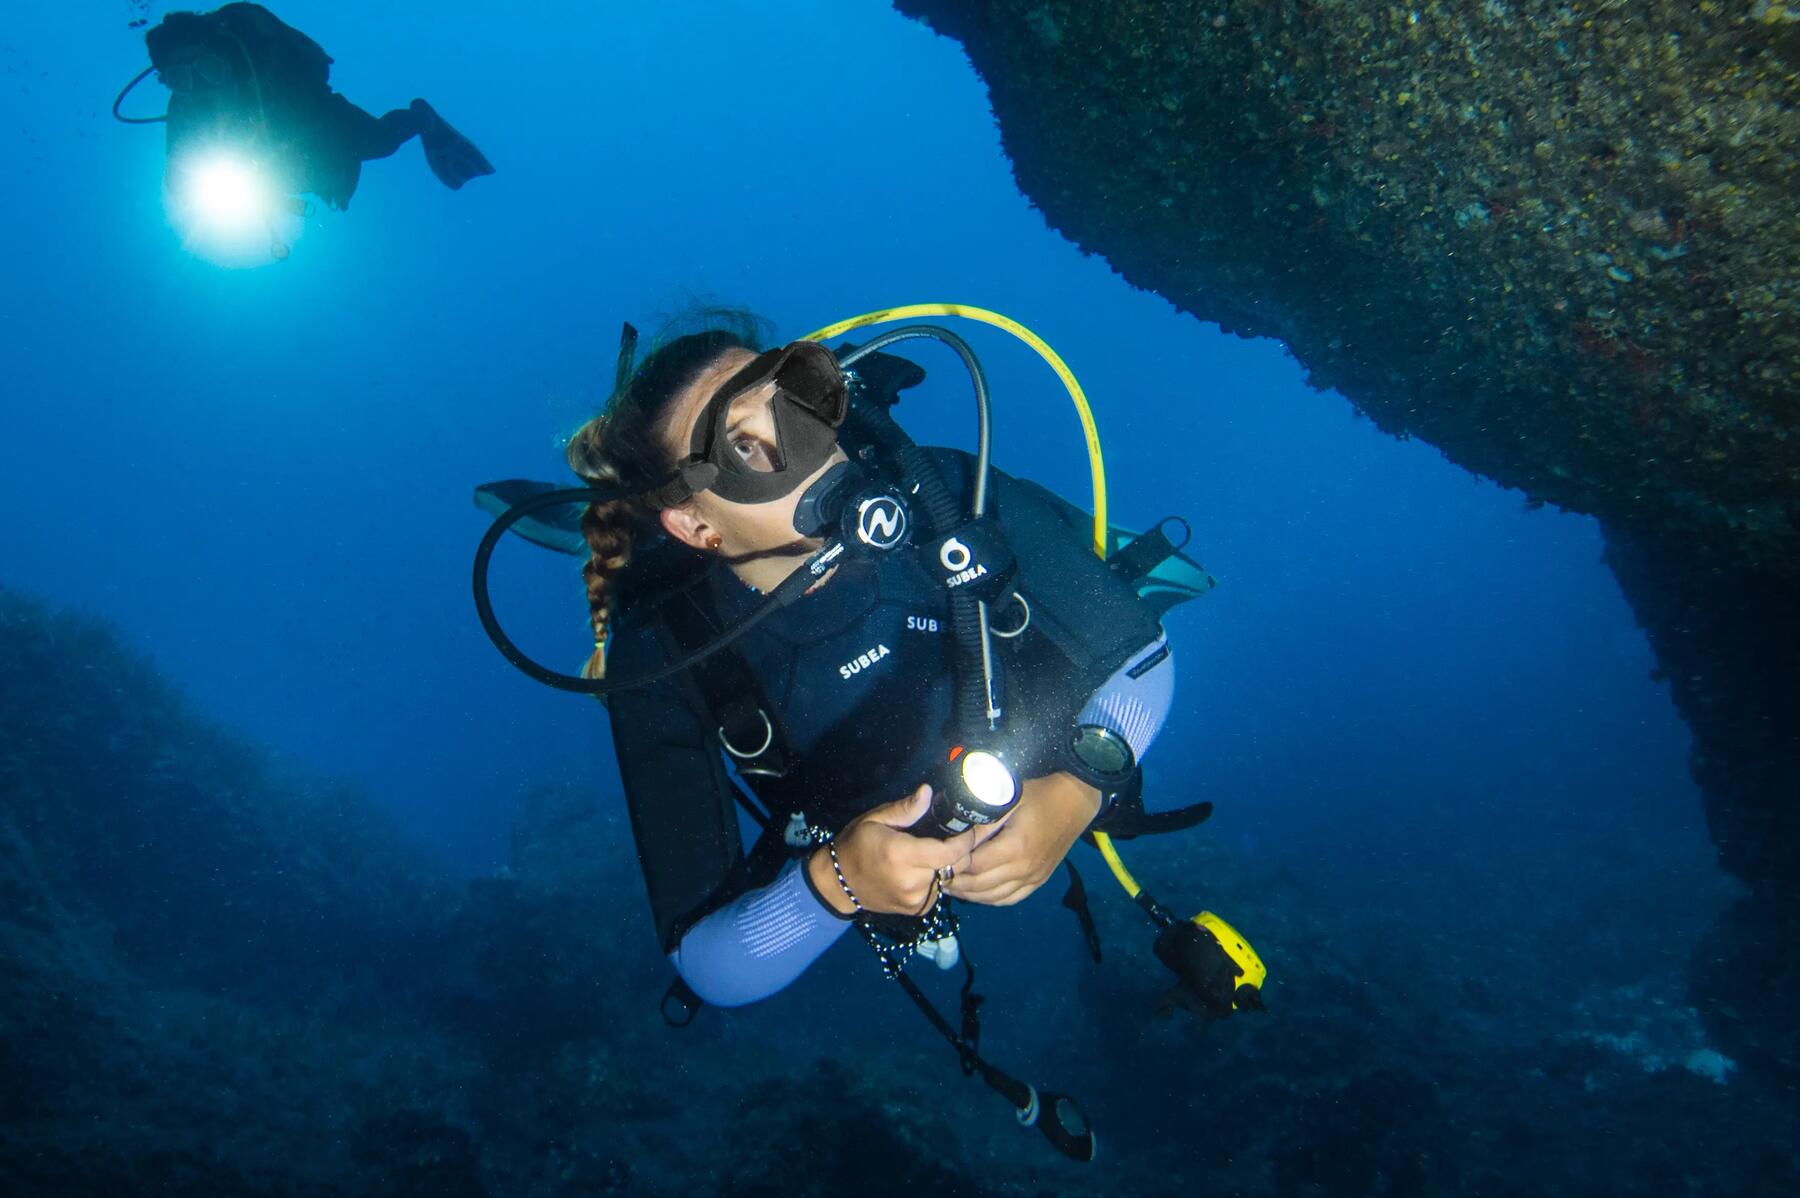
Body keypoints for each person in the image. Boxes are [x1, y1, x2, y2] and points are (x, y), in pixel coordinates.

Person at [564, 313, 1178, 1009]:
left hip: (1048, 753)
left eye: (795, 397)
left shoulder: (943, 491)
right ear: (697, 525)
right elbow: (709, 966)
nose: (810, 447)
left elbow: (1143, 654)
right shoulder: (667, 648)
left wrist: (1075, 791)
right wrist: (836, 883)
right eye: (744, 444)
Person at [141, 3, 493, 211]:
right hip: (263, 158)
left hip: (310, 115)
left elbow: (312, 79)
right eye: (182, 79)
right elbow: (178, 180)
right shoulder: (185, 110)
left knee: (377, 144)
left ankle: (423, 119)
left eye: (207, 69)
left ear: (225, 58)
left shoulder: (265, 66)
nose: (200, 86)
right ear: (170, 83)